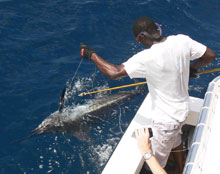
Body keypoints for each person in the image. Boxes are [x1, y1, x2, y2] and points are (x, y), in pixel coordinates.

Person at [80, 16, 216, 172]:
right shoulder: (181, 40)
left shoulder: (147, 58)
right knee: (176, 137)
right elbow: (210, 55)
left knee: (156, 163)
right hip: (182, 111)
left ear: (142, 37)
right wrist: (194, 68)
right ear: (157, 28)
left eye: (139, 40)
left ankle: (176, 169)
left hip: (166, 121)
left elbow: (114, 72)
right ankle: (180, 165)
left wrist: (91, 55)